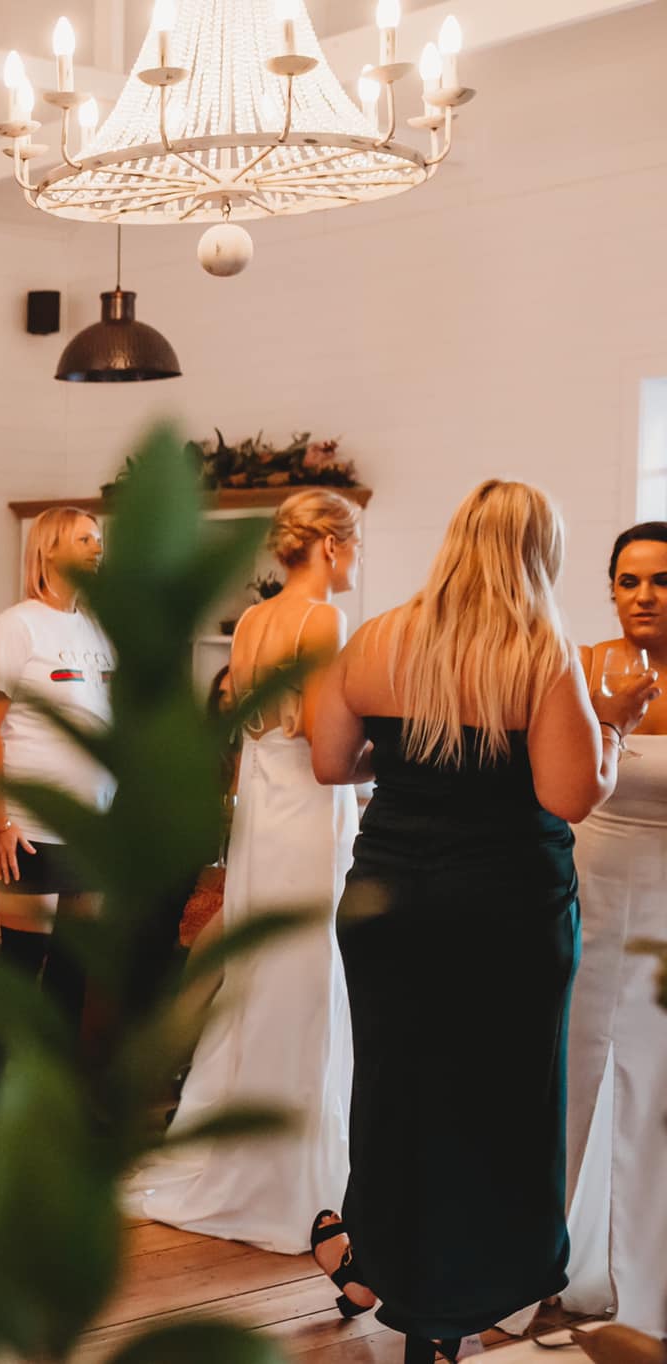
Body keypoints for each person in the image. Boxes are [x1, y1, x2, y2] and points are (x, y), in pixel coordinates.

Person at [309, 480, 656, 1362]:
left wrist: (412, 762)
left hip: (386, 902)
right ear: (541, 554)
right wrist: (614, 729)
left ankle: (376, 1263)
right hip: (502, 911)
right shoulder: (539, 651)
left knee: (393, 1089)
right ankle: (456, 1304)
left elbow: (331, 762)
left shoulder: (376, 637)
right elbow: (569, 795)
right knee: (495, 1100)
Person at [135, 490, 362, 1255]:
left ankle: (246, 1143)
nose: (354, 560)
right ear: (329, 545)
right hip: (308, 814)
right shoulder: (323, 621)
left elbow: (250, 733)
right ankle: (293, 1172)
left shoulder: (254, 621)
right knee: (307, 974)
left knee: (265, 972)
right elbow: (326, 746)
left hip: (262, 813)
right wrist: (392, 754)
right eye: (353, 545)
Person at [561, 521, 667, 1337]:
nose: (644, 596)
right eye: (628, 580)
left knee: (653, 1080)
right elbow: (552, 783)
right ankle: (544, 1255)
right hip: (585, 888)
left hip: (664, 901)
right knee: (573, 1066)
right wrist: (604, 721)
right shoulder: (584, 664)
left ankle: (645, 1272)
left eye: (661, 580)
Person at [0, 507, 113, 1027]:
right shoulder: (15, 628)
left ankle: (56, 1078)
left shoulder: (95, 631)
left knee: (74, 970)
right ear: (48, 549)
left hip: (91, 826)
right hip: (30, 828)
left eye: (99, 539)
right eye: (84, 540)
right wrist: (1, 822)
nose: (98, 549)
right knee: (23, 963)